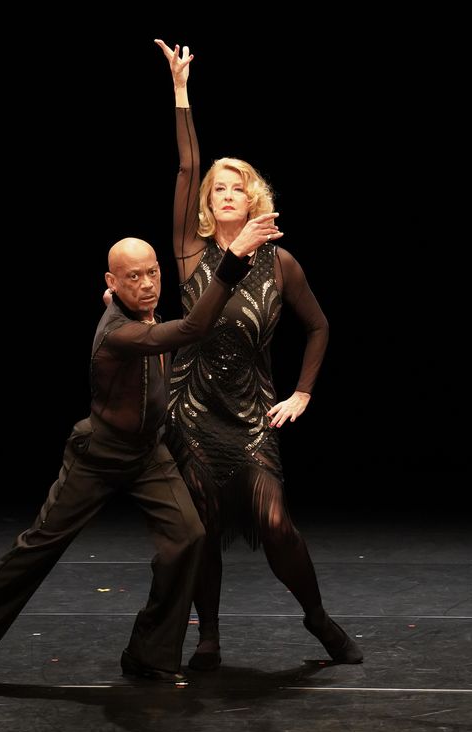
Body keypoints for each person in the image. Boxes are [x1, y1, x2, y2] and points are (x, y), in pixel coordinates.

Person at [0, 236, 253, 694]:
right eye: (132, 277)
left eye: (152, 272)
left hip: (147, 454)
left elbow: (161, 327)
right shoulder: (118, 331)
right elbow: (190, 330)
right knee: (33, 551)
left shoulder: (140, 310)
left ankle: (148, 654)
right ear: (111, 282)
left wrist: (131, 298)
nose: (147, 284)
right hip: (99, 454)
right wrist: (233, 261)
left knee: (189, 536)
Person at [153, 39, 363, 670]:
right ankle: (208, 637)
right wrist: (182, 95)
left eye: (236, 187)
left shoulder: (280, 264)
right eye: (217, 187)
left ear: (254, 202)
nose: (223, 192)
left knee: (275, 524)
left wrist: (302, 393)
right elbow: (187, 166)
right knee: (204, 529)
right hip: (191, 414)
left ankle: (318, 619)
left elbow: (320, 326)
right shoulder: (192, 254)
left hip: (249, 417)